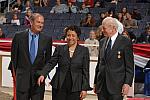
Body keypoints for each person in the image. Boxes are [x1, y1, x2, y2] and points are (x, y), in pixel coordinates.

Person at [37, 25, 91, 100]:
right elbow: (51, 63)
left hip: (76, 87)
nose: (70, 38)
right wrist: (43, 74)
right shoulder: (60, 49)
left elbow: (86, 70)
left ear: (78, 37)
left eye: (73, 35)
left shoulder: (84, 50)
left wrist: (84, 88)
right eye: (68, 35)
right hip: (59, 85)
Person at [10, 13, 52, 100]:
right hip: (22, 82)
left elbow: (48, 61)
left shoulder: (47, 39)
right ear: (31, 22)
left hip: (38, 83)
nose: (41, 25)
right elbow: (14, 59)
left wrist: (43, 74)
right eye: (38, 22)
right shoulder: (18, 37)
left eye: (42, 23)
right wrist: (19, 75)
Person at [93, 17, 134, 100]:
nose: (102, 31)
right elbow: (99, 63)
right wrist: (95, 82)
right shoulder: (102, 41)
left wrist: (127, 83)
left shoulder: (125, 42)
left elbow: (129, 66)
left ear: (113, 28)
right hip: (101, 86)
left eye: (104, 28)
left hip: (117, 86)